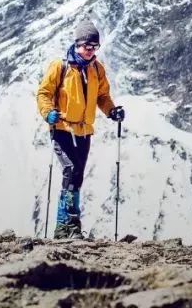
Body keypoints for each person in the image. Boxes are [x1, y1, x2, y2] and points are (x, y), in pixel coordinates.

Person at [36, 19, 125, 239]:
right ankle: (64, 224)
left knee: (77, 175)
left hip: (84, 131)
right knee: (70, 170)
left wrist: (112, 111)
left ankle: (70, 227)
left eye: (95, 47)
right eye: (87, 46)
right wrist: (48, 113)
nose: (91, 51)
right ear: (77, 44)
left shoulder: (97, 69)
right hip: (62, 127)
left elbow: (102, 97)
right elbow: (44, 93)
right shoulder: (61, 66)